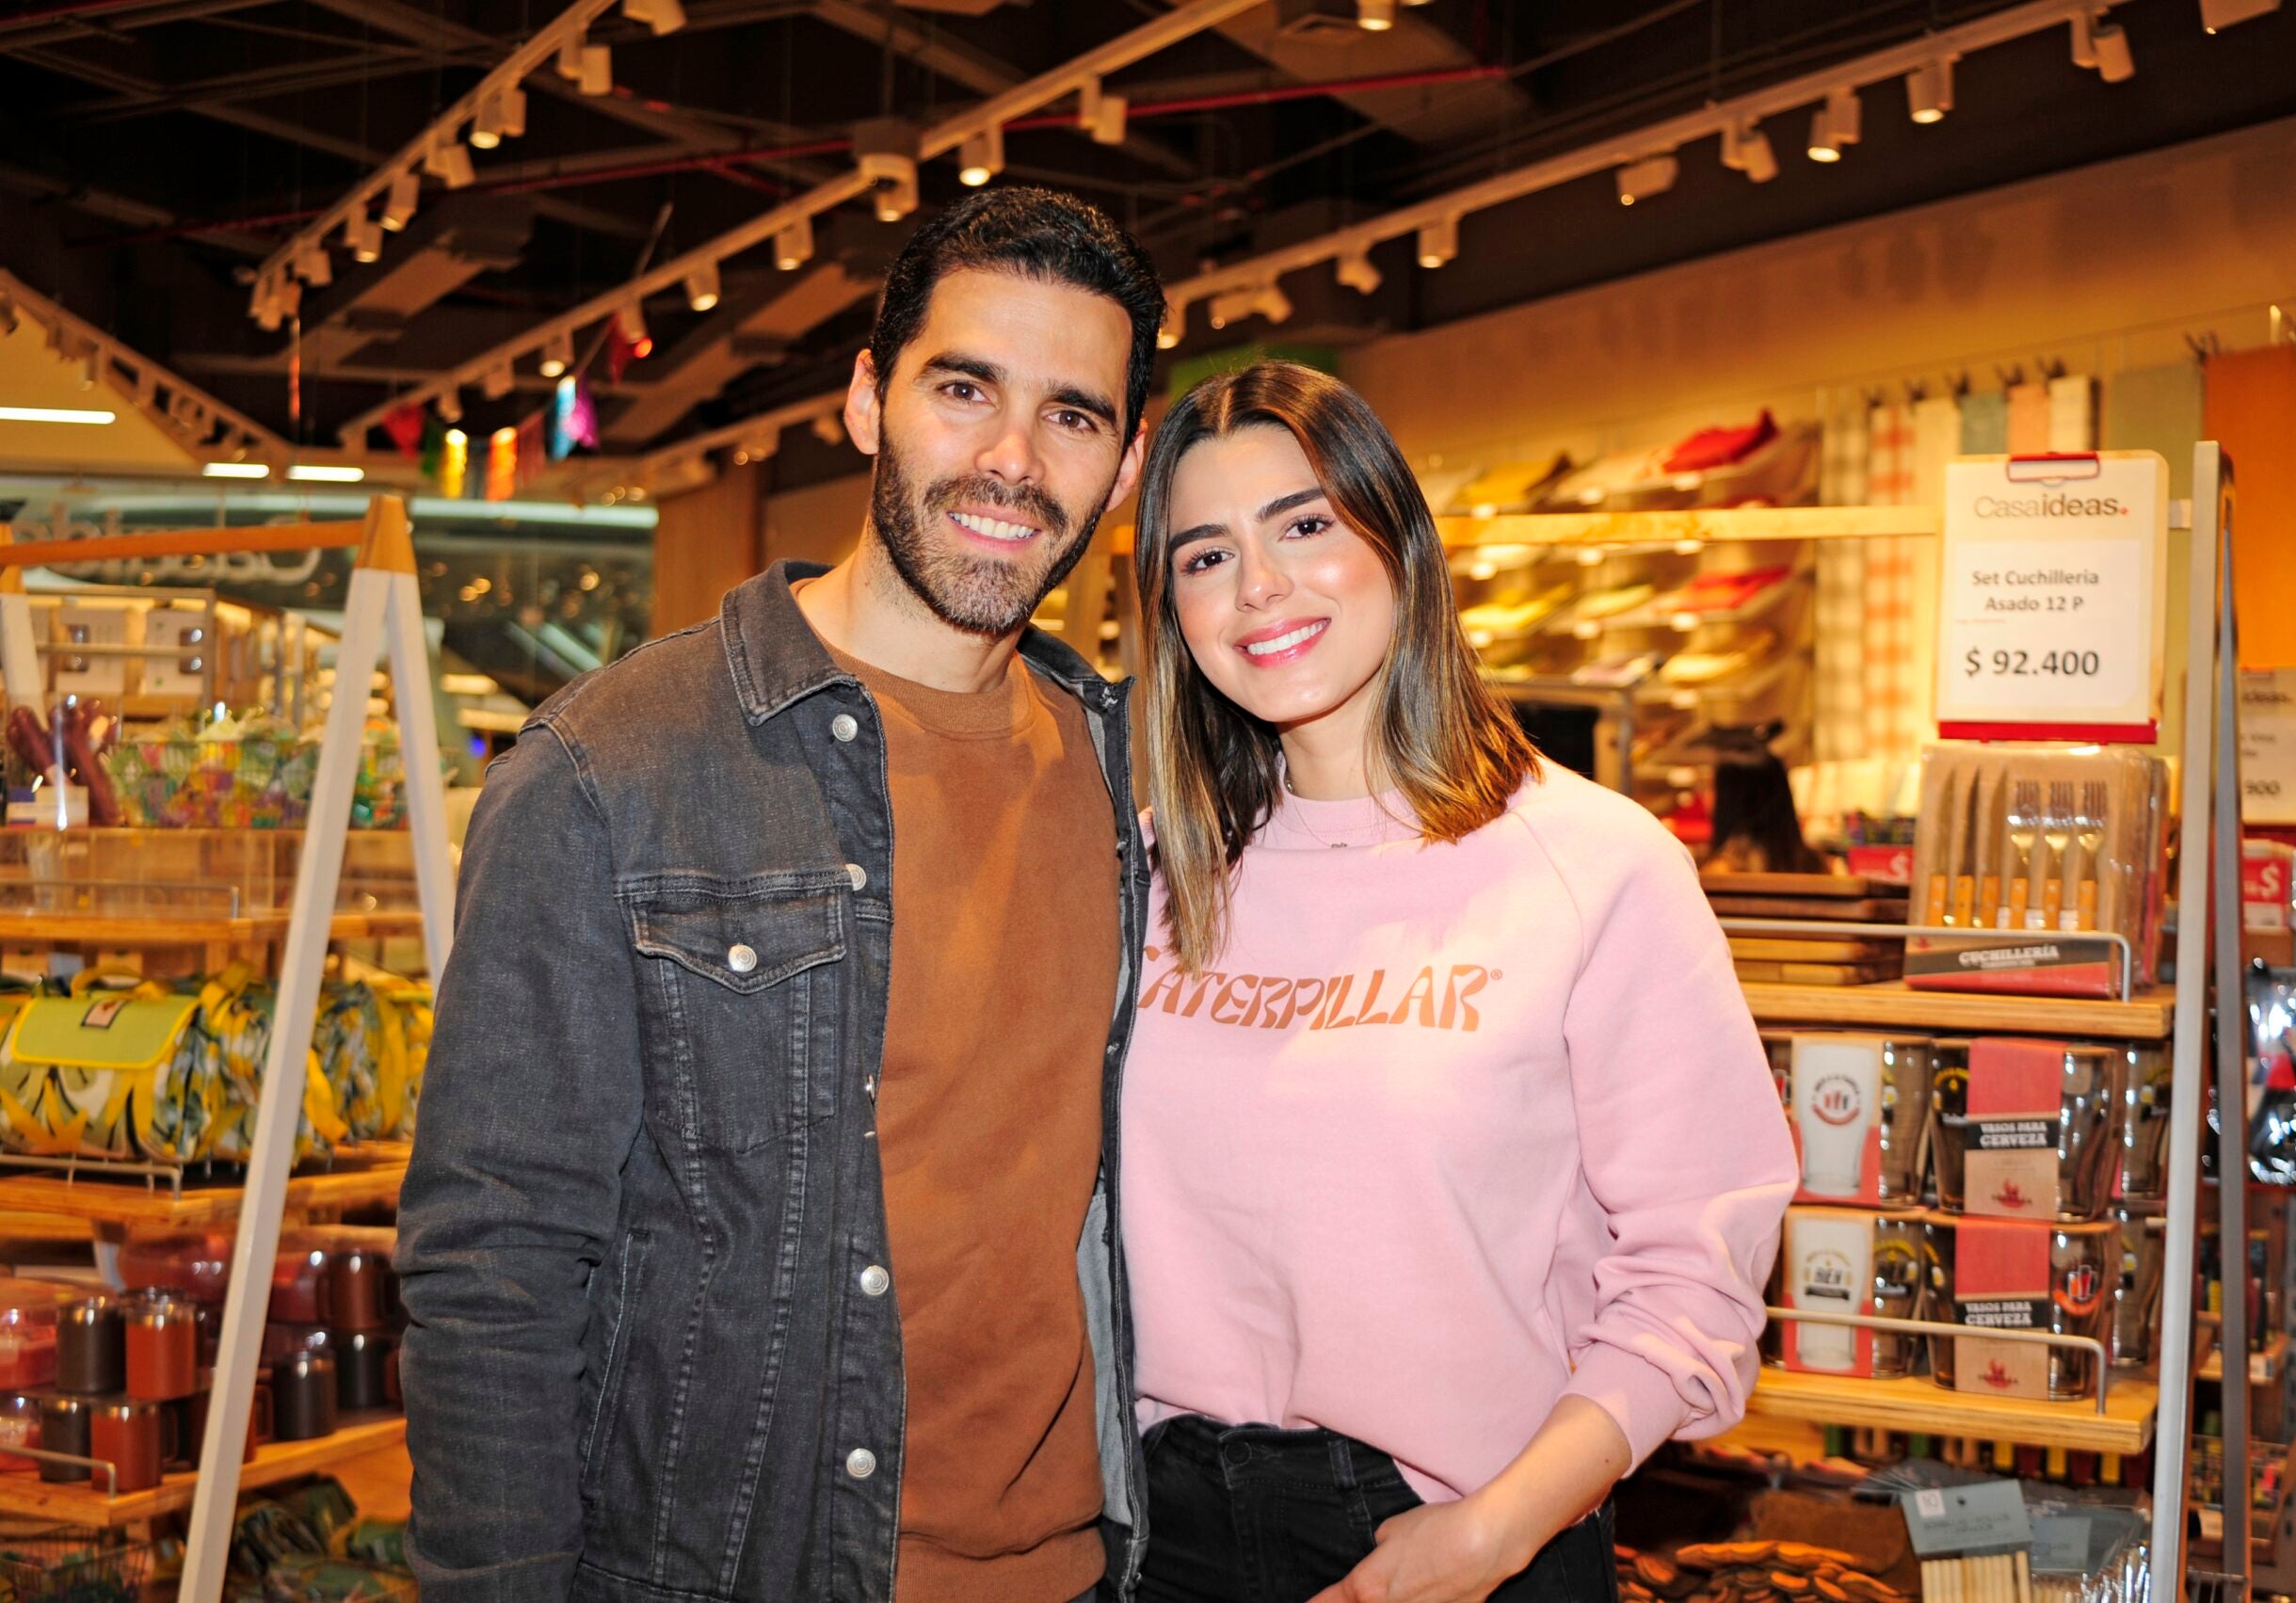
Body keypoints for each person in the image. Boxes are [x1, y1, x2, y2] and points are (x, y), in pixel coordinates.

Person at [397, 186, 1163, 1603]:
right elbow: (494, 1268)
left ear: (1122, 474)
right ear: (867, 400)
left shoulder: (1134, 781)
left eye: (1073, 416)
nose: (1011, 460)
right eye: (963, 388)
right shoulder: (611, 767)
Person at [1123, 361, 1798, 1603]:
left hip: (1468, 1540)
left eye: (1306, 525)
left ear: (1400, 541)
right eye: (1203, 556)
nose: (1258, 586)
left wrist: (1492, 1535)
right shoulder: (1157, 876)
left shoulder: (1593, 865)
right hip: (1166, 1539)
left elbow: (1692, 1282)